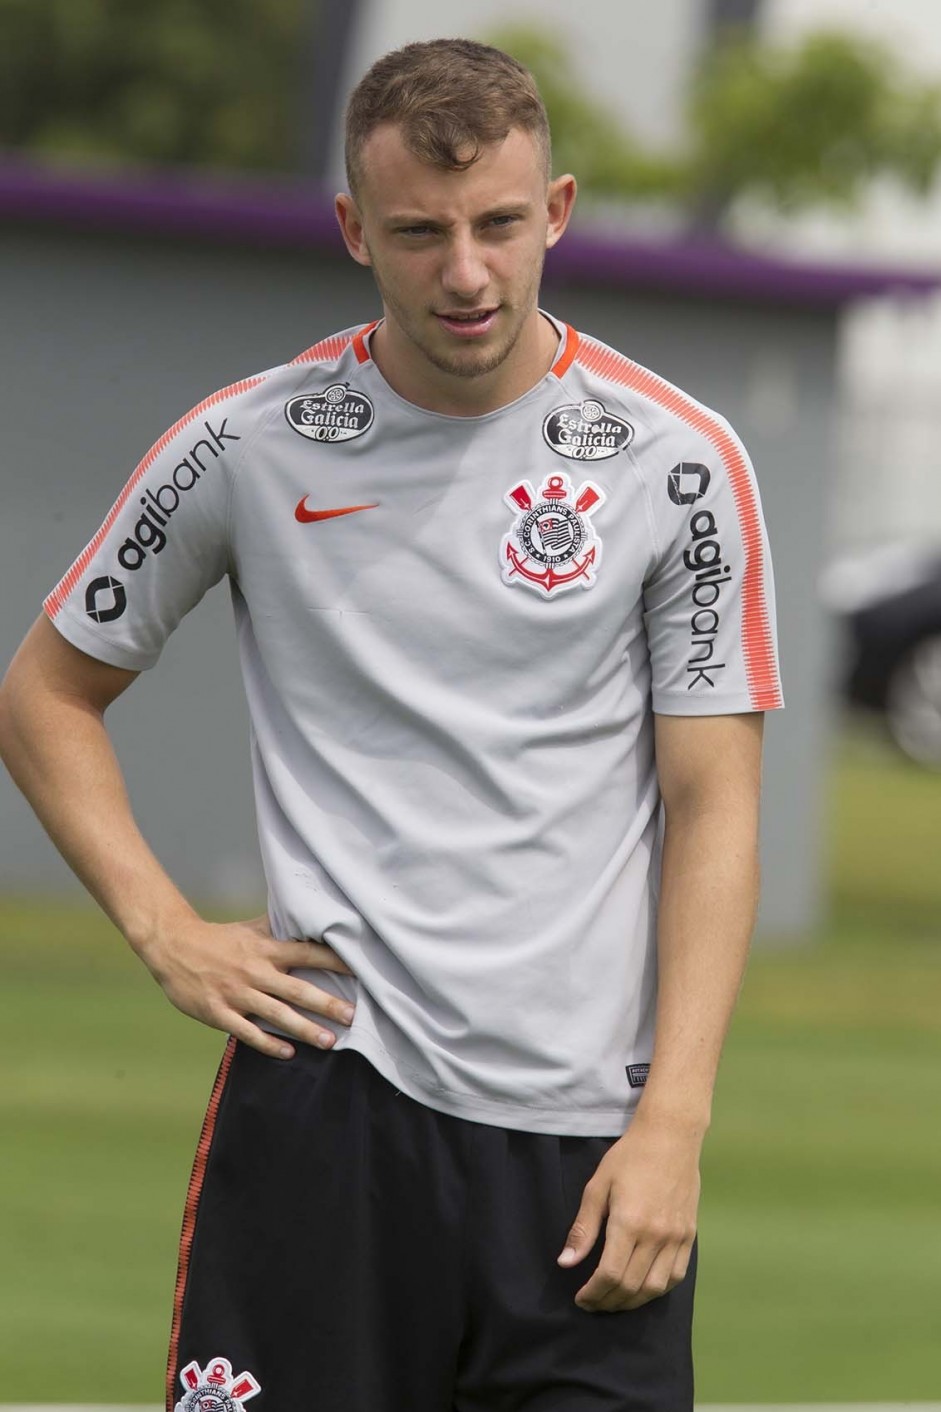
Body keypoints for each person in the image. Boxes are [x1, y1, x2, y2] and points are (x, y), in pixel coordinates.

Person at [0, 36, 783, 1412]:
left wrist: (674, 1122)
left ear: (557, 213)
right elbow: (45, 693)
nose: (465, 273)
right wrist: (165, 929)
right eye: (420, 234)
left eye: (496, 225)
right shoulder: (248, 443)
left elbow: (713, 804)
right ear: (356, 229)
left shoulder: (677, 462)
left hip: (589, 1147)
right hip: (326, 1110)